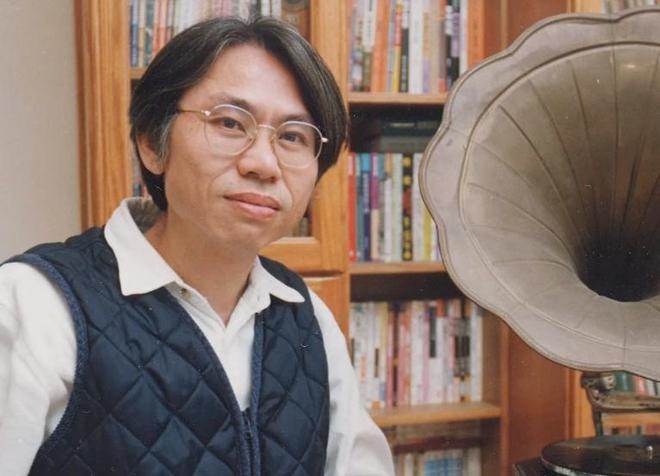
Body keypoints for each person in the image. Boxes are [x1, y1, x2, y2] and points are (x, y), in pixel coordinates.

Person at [0, 16, 394, 475]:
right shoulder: (34, 305)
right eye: (230, 123)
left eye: (292, 137)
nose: (263, 164)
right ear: (152, 143)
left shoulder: (308, 318)